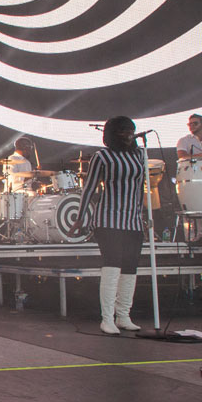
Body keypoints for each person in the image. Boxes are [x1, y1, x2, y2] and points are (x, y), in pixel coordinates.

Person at [75, 116, 145, 334]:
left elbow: (140, 186)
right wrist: (80, 216)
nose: (128, 134)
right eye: (123, 131)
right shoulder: (102, 157)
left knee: (130, 269)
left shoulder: (139, 155)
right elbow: (89, 187)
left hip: (133, 220)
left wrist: (142, 213)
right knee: (112, 266)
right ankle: (107, 318)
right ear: (113, 134)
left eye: (131, 130)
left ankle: (123, 315)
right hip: (109, 219)